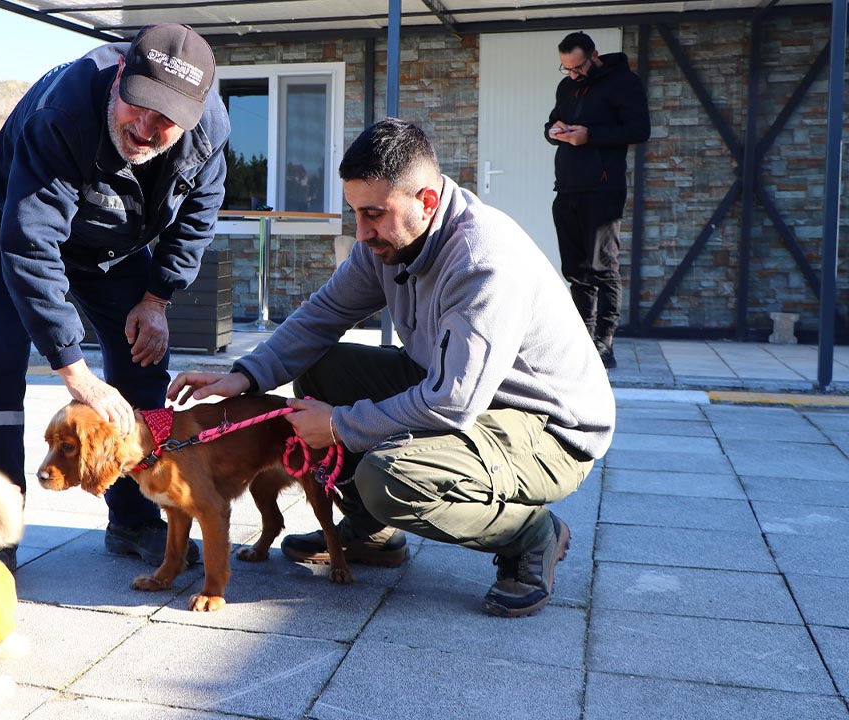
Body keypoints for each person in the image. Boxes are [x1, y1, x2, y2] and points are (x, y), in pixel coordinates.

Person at [168, 119, 614, 617]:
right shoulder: (389, 243)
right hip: (462, 393)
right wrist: (245, 375)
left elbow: (451, 402)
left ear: (426, 201)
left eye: (374, 215)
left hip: (545, 429)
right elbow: (323, 316)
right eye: (356, 213)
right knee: (321, 370)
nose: (361, 232)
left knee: (390, 479)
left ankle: (531, 536)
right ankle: (371, 532)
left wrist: (338, 425)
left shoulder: (482, 262)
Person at [0, 24, 229, 569]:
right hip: (5, 227)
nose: (147, 129)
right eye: (138, 107)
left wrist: (156, 298)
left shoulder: (209, 132)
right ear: (119, 82)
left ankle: (136, 519)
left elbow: (198, 217)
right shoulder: (64, 114)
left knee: (142, 360)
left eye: (166, 121)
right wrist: (75, 372)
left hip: (114, 245)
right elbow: (31, 245)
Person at [546, 31, 650, 369]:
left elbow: (639, 130)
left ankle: (604, 344)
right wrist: (552, 130)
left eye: (577, 68)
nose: (572, 74)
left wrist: (591, 136)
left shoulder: (624, 83)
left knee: (602, 267)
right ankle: (582, 340)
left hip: (603, 190)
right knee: (575, 271)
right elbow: (551, 121)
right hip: (567, 188)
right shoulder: (567, 87)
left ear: (595, 55)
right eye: (567, 69)